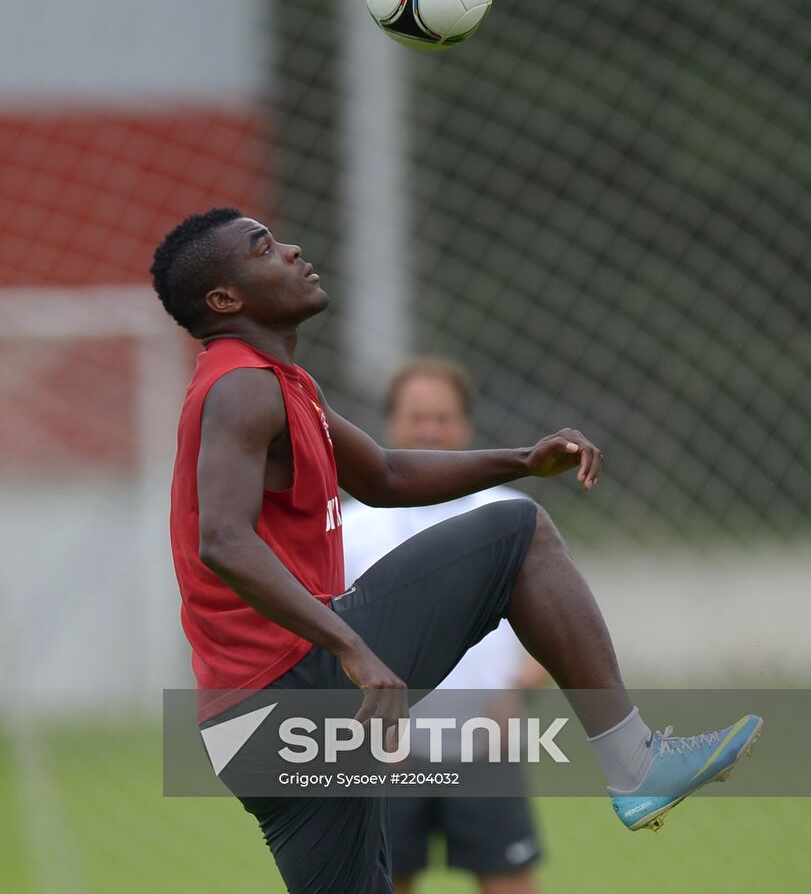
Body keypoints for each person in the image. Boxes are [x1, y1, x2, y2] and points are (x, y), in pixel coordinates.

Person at [150, 208, 762, 894]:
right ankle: (634, 763)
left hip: (249, 730)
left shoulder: (283, 384)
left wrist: (522, 460)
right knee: (516, 534)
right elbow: (224, 540)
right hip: (291, 690)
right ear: (224, 299)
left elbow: (383, 476)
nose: (290, 249)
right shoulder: (240, 386)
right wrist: (350, 646)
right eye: (263, 248)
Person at [341, 357, 547, 894]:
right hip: (388, 751)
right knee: (385, 882)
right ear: (390, 425)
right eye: (417, 417)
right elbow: (329, 631)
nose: (430, 428)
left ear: (466, 426)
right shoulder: (351, 525)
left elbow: (556, 624)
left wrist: (518, 696)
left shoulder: (513, 516)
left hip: (487, 742)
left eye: (443, 416)